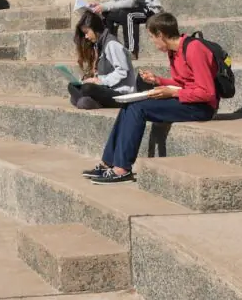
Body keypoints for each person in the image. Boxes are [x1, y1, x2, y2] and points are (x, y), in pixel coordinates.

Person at [84, 12, 217, 184]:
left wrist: (172, 93)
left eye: (152, 37)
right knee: (130, 104)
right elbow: (183, 82)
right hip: (188, 99)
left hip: (202, 107)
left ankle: (122, 169)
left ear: (160, 34)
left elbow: (207, 92)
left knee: (137, 108)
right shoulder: (174, 52)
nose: (153, 42)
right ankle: (107, 162)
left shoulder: (194, 49)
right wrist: (158, 81)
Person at [88, 0, 162, 59]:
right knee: (107, 14)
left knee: (129, 16)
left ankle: (132, 51)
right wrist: (101, 5)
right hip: (134, 9)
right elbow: (114, 1)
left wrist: (105, 6)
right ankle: (109, 47)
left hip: (151, 10)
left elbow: (130, 2)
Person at [68, 11, 137, 109]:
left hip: (121, 93)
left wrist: (100, 81)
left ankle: (88, 101)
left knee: (87, 88)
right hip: (107, 87)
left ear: (95, 28)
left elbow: (122, 72)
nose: (86, 37)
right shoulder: (99, 45)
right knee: (72, 85)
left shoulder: (112, 44)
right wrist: (88, 79)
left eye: (87, 32)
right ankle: (87, 100)